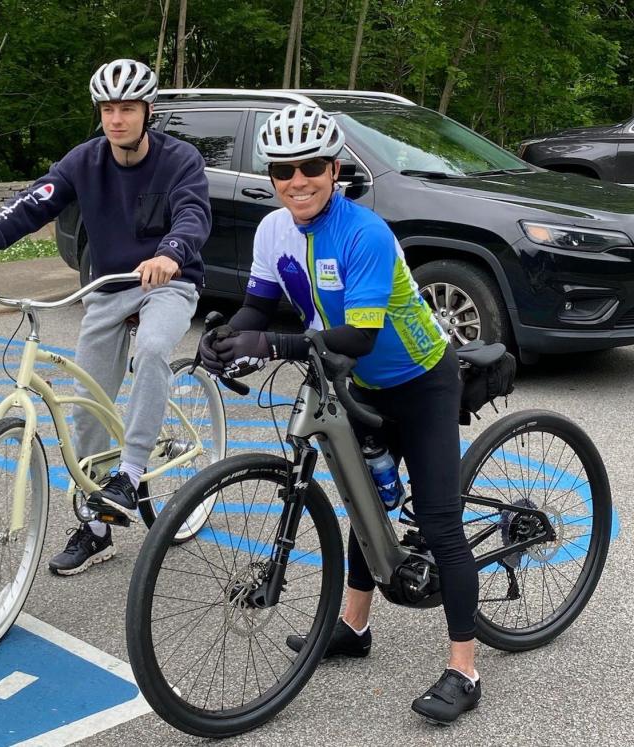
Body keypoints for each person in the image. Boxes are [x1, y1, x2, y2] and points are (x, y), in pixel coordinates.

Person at [197, 103, 480, 724]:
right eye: (283, 169)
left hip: (419, 380)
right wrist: (224, 336)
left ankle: (464, 666)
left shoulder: (365, 233)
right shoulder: (275, 230)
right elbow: (258, 304)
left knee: (437, 521)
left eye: (312, 166)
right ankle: (353, 627)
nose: (298, 180)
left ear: (335, 167)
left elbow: (360, 336)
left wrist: (271, 344)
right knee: (361, 498)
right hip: (355, 383)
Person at [0, 58, 211, 576]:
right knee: (89, 401)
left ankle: (131, 473)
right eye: (108, 109)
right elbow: (31, 203)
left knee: (154, 347)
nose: (116, 119)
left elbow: (193, 213)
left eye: (127, 108)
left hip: (169, 280)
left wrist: (171, 252)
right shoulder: (84, 162)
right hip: (107, 287)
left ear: (147, 112)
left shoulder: (181, 160)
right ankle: (95, 527)